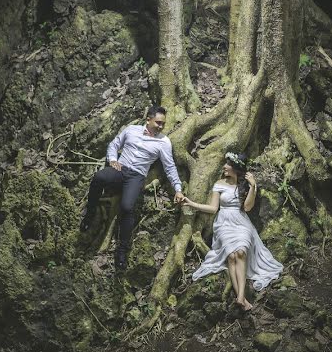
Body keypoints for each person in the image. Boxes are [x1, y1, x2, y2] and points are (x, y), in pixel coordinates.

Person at [81, 105, 186, 270]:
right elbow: (114, 144)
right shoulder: (131, 130)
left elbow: (169, 167)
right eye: (158, 123)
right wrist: (112, 159)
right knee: (99, 177)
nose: (161, 126)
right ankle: (90, 213)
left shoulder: (164, 142)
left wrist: (178, 189)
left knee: (127, 207)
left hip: (137, 176)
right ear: (148, 119)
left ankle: (122, 250)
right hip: (120, 169)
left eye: (163, 124)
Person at [183, 152, 283, 311]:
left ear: (235, 169)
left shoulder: (244, 186)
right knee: (231, 255)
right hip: (223, 223)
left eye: (227, 164)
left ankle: (241, 297)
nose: (224, 166)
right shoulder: (219, 184)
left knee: (241, 253)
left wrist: (253, 187)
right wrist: (191, 203)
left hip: (241, 223)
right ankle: (242, 299)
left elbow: (247, 208)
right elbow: (213, 208)